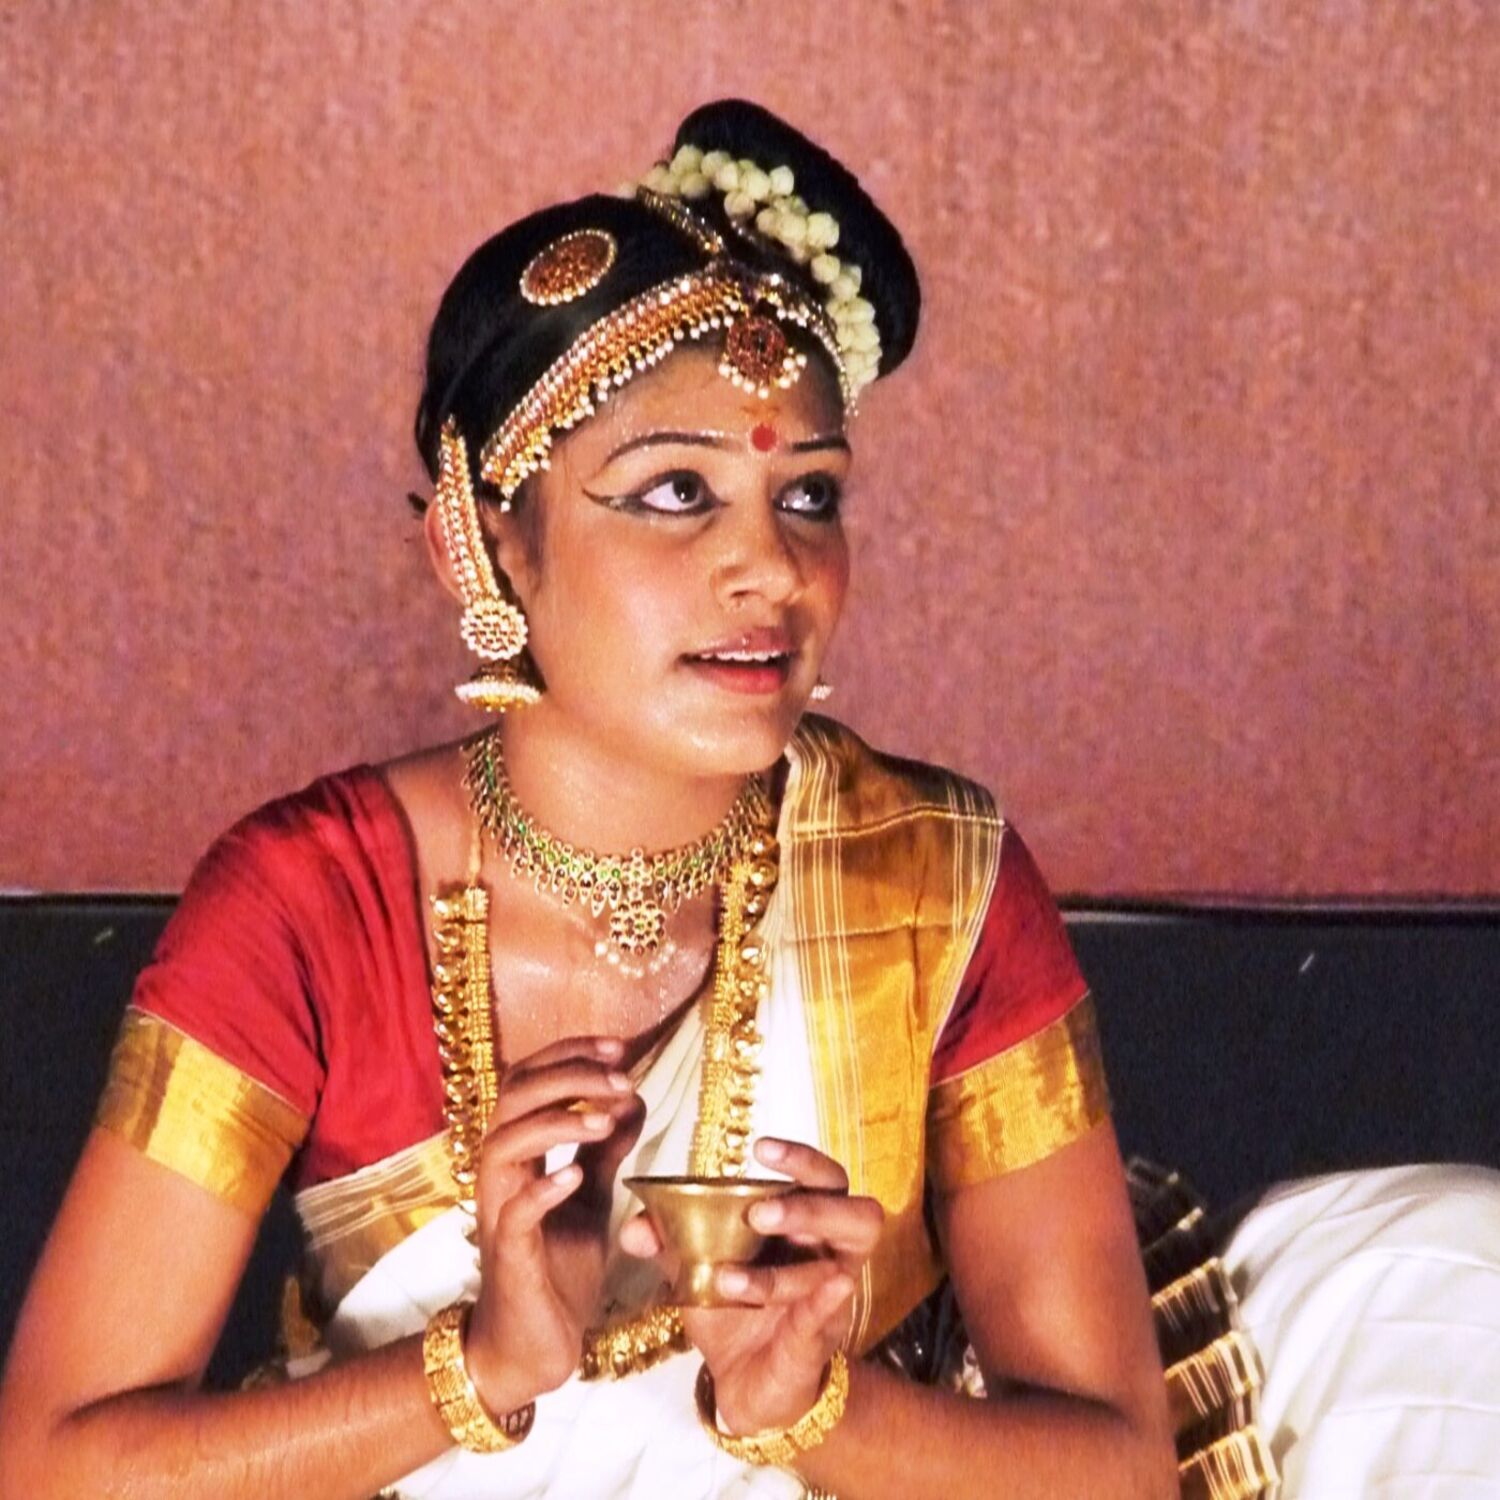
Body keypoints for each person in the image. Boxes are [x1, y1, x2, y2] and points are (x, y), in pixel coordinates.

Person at [1, 99, 1242, 1499]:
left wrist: (811, 1407)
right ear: (482, 548)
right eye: (673, 492)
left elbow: (1120, 1472)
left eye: (810, 497)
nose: (770, 569)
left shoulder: (932, 882)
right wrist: (482, 1369)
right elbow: (54, 1471)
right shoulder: (309, 905)